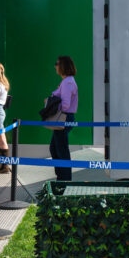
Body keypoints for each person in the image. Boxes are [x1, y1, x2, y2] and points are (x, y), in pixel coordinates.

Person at [48, 54, 79, 182]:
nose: (55, 66)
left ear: (63, 66)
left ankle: (64, 180)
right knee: (56, 148)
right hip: (65, 118)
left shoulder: (67, 82)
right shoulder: (67, 81)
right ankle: (62, 178)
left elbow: (65, 105)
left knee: (61, 150)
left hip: (64, 118)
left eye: (57, 63)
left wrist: (51, 102)